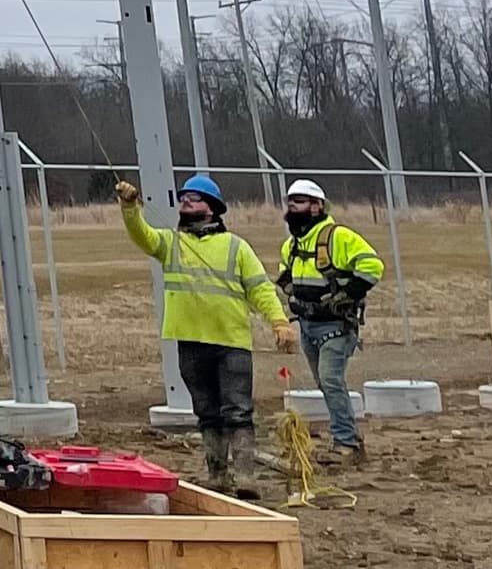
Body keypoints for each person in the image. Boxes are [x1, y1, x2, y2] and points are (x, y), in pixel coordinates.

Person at [114, 171, 294, 489]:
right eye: (183, 197)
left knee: (238, 411)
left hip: (232, 342)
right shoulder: (170, 243)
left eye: (192, 198)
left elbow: (260, 289)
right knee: (207, 413)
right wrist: (129, 208)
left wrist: (279, 322)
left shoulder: (236, 247)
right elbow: (143, 235)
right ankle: (218, 476)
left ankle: (246, 478)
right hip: (191, 342)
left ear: (210, 206)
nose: (185, 201)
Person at [276, 176, 388, 458]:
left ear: (317, 206)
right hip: (308, 325)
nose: (292, 207)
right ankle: (347, 435)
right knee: (325, 383)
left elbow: (372, 266)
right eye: (290, 202)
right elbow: (284, 273)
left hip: (336, 326)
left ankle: (346, 442)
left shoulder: (339, 237)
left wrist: (346, 295)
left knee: (330, 380)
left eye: (299, 202)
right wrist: (293, 294)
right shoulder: (292, 244)